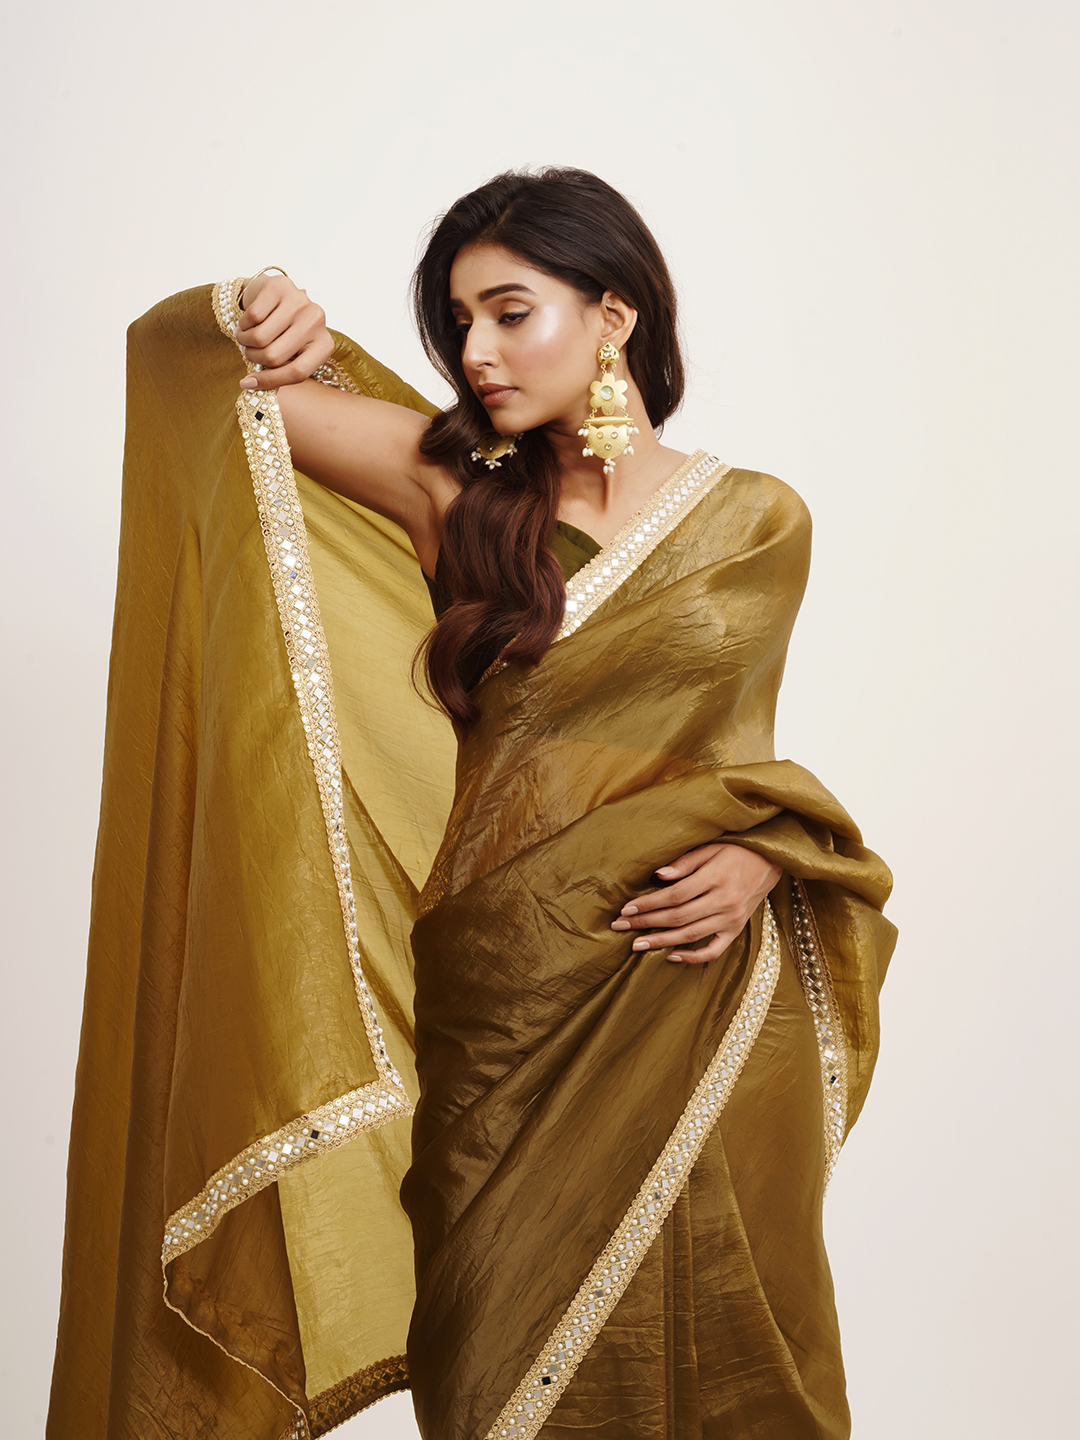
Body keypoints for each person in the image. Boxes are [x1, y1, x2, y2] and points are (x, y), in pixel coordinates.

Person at [48, 169, 895, 1440]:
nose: (475, 352)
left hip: (692, 985)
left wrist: (767, 855)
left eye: (510, 313)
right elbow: (204, 387)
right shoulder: (453, 491)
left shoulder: (759, 521)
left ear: (614, 316)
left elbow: (730, 764)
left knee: (726, 1314)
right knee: (494, 1344)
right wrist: (262, 310)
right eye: (458, 323)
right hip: (506, 995)